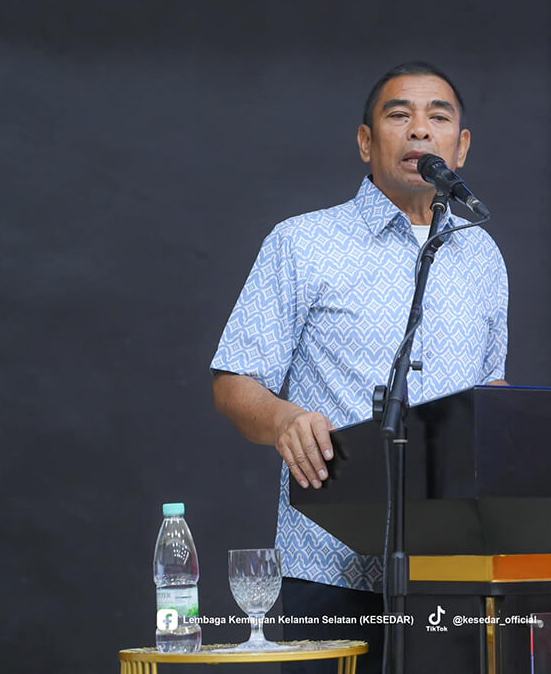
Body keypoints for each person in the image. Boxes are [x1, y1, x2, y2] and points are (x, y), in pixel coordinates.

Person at [210, 61, 509, 672]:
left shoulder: (482, 254)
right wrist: (285, 420)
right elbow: (235, 379)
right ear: (366, 142)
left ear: (461, 147)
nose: (419, 130)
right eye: (400, 115)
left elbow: (491, 390)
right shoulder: (302, 242)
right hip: (328, 563)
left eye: (438, 117)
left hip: (451, 568)